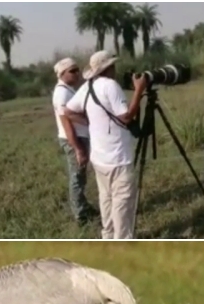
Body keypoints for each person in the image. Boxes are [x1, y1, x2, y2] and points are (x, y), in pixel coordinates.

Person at [65, 50, 147, 240]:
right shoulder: (111, 86)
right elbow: (126, 117)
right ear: (109, 68)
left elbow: (68, 111)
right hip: (118, 157)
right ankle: (123, 240)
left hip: (99, 157)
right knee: (122, 202)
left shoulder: (88, 87)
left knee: (107, 198)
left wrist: (92, 121)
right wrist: (139, 90)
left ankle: (108, 236)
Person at [52, 57, 99, 226]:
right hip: (73, 139)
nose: (77, 73)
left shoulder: (68, 90)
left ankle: (83, 206)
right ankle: (80, 215)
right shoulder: (62, 93)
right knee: (76, 177)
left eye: (77, 69)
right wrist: (78, 148)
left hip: (78, 138)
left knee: (80, 176)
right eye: (72, 71)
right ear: (62, 74)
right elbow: (66, 122)